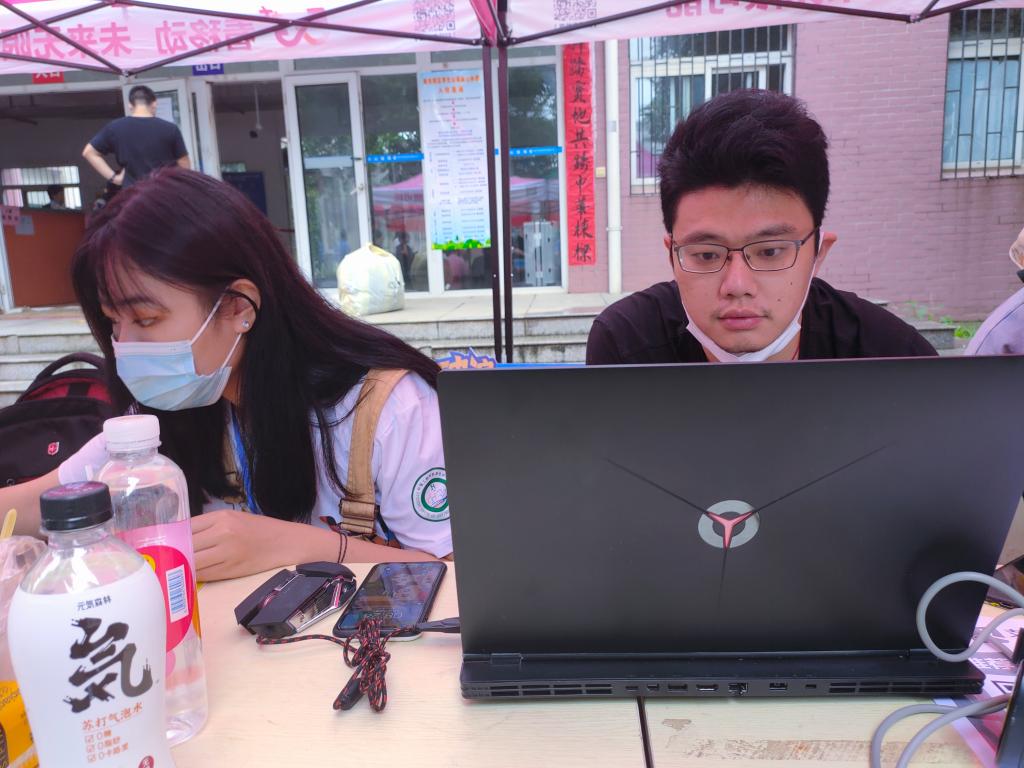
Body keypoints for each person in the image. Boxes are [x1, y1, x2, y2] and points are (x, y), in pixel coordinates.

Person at [6, 168, 451, 580]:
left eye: (145, 320)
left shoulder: (388, 409)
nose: (124, 346)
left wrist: (300, 546)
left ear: (238, 307)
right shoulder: (160, 421)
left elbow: (456, 574)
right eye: (113, 323)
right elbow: (31, 505)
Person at [586, 90, 936, 365]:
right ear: (672, 256)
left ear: (818, 253)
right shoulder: (627, 348)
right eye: (706, 255)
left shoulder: (892, 359)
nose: (737, 286)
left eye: (770, 251)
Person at [82, 85, 191, 189]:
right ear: (154, 104)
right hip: (164, 193)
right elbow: (184, 164)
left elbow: (89, 152)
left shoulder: (115, 128)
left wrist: (115, 179)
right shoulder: (170, 128)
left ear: (130, 105)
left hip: (133, 195)